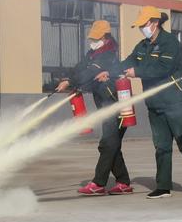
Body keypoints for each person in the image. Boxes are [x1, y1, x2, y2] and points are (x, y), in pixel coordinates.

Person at [99, 6, 182, 199]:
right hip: (155, 104)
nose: (142, 28)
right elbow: (129, 61)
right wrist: (110, 71)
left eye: (144, 24)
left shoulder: (170, 43)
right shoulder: (143, 45)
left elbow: (163, 68)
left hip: (176, 102)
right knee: (161, 146)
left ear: (155, 23)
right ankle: (163, 186)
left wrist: (138, 72)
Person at [56, 20, 133, 196]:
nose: (93, 41)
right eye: (92, 37)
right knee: (111, 144)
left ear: (105, 37)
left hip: (117, 105)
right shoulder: (93, 53)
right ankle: (123, 182)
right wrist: (67, 78)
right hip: (105, 104)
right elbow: (81, 67)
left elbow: (90, 72)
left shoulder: (108, 55)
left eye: (96, 38)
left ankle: (98, 183)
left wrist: (71, 81)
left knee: (107, 144)